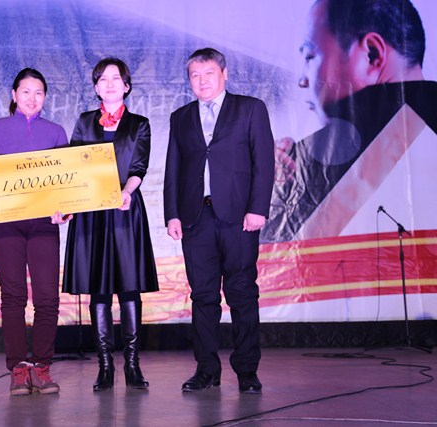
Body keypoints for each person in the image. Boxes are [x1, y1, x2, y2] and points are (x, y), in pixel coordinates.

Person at [263, 0, 437, 242]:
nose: (302, 80)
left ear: (371, 55)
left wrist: (267, 191)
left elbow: (273, 258)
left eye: (310, 56)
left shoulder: (314, 162)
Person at [163, 48, 274, 393]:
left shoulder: (250, 108)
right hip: (196, 218)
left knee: (242, 293)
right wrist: (172, 214)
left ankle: (247, 370)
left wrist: (258, 208)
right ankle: (206, 369)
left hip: (239, 217)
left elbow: (264, 161)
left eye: (209, 73)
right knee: (203, 296)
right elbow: (173, 169)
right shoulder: (181, 117)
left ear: (224, 74)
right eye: (195, 75)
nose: (202, 81)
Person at [54, 57, 159, 391]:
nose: (110, 84)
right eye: (103, 79)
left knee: (129, 287)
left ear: (126, 86)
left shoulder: (139, 124)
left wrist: (126, 192)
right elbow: (73, 168)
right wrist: (67, 205)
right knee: (98, 288)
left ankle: (132, 365)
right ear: (96, 87)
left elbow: (138, 166)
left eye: (116, 78)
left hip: (125, 209)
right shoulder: (84, 122)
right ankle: (104, 366)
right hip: (90, 213)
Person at [0, 68, 68, 396]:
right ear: (13, 94)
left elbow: (66, 182)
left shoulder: (55, 132)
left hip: (43, 224)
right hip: (5, 223)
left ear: (45, 97)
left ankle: (42, 367)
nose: (32, 98)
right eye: (26, 92)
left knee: (48, 297)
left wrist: (65, 208)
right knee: (13, 296)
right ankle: (19, 369)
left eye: (39, 92)